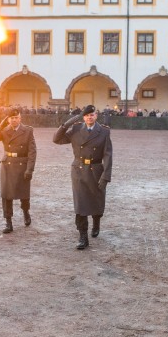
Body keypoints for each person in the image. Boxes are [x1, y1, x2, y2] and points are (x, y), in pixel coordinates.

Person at [53, 105, 113, 250]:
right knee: (80, 205)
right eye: (86, 116)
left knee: (96, 202)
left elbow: (108, 155)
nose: (89, 118)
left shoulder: (104, 131)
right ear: (83, 117)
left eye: (92, 115)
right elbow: (57, 139)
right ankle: (83, 237)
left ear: (96, 116)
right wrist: (66, 123)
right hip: (79, 170)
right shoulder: (75, 129)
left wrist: (105, 176)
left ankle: (96, 222)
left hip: (96, 170)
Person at [0, 107, 37, 234]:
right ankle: (8, 221)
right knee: (6, 195)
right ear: (8, 119)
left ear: (20, 118)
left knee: (24, 195)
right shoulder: (4, 130)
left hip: (22, 164)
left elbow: (32, 152)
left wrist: (29, 169)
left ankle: (26, 212)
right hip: (8, 164)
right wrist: (0, 125)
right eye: (12, 118)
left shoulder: (28, 130)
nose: (14, 120)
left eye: (16, 117)